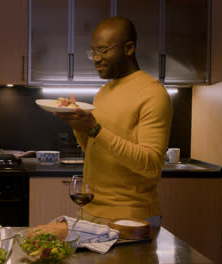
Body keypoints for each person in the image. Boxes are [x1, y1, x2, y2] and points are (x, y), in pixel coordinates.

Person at [54, 16, 173, 227]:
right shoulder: (103, 93)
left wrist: (95, 129)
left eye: (103, 50)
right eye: (93, 52)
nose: (96, 58)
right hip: (90, 210)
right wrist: (79, 126)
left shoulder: (152, 93)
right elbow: (93, 148)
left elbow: (151, 164)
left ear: (128, 48)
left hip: (131, 217)